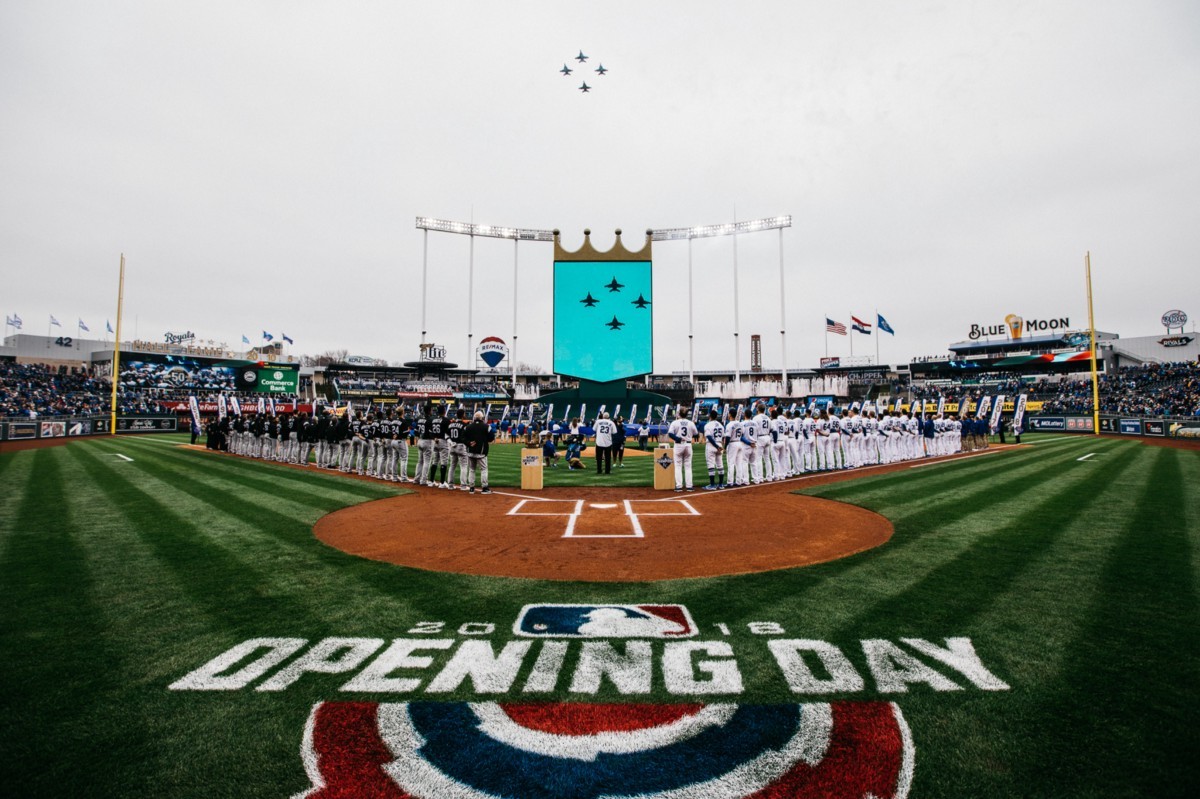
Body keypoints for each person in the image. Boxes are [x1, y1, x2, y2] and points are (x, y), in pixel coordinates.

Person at [667, 407, 699, 492]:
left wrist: (677, 438)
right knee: (688, 466)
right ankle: (689, 486)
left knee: (678, 466)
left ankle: (679, 486)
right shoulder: (691, 423)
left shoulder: (675, 422)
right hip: (688, 444)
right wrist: (689, 434)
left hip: (678, 445)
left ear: (679, 414)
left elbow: (670, 434)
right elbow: (696, 434)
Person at [461, 410, 494, 494]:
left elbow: (462, 438)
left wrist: (469, 443)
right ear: (482, 418)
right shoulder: (486, 426)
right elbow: (491, 438)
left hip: (470, 451)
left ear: (474, 418)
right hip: (481, 452)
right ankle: (484, 488)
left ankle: (471, 488)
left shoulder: (468, 426)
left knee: (472, 469)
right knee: (483, 469)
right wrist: (484, 439)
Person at [702, 408, 726, 489]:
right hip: (719, 443)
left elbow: (709, 436)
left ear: (710, 416)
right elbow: (723, 437)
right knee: (720, 464)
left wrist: (716, 446)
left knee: (711, 465)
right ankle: (721, 484)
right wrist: (720, 446)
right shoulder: (721, 425)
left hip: (712, 445)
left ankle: (712, 485)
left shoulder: (708, 425)